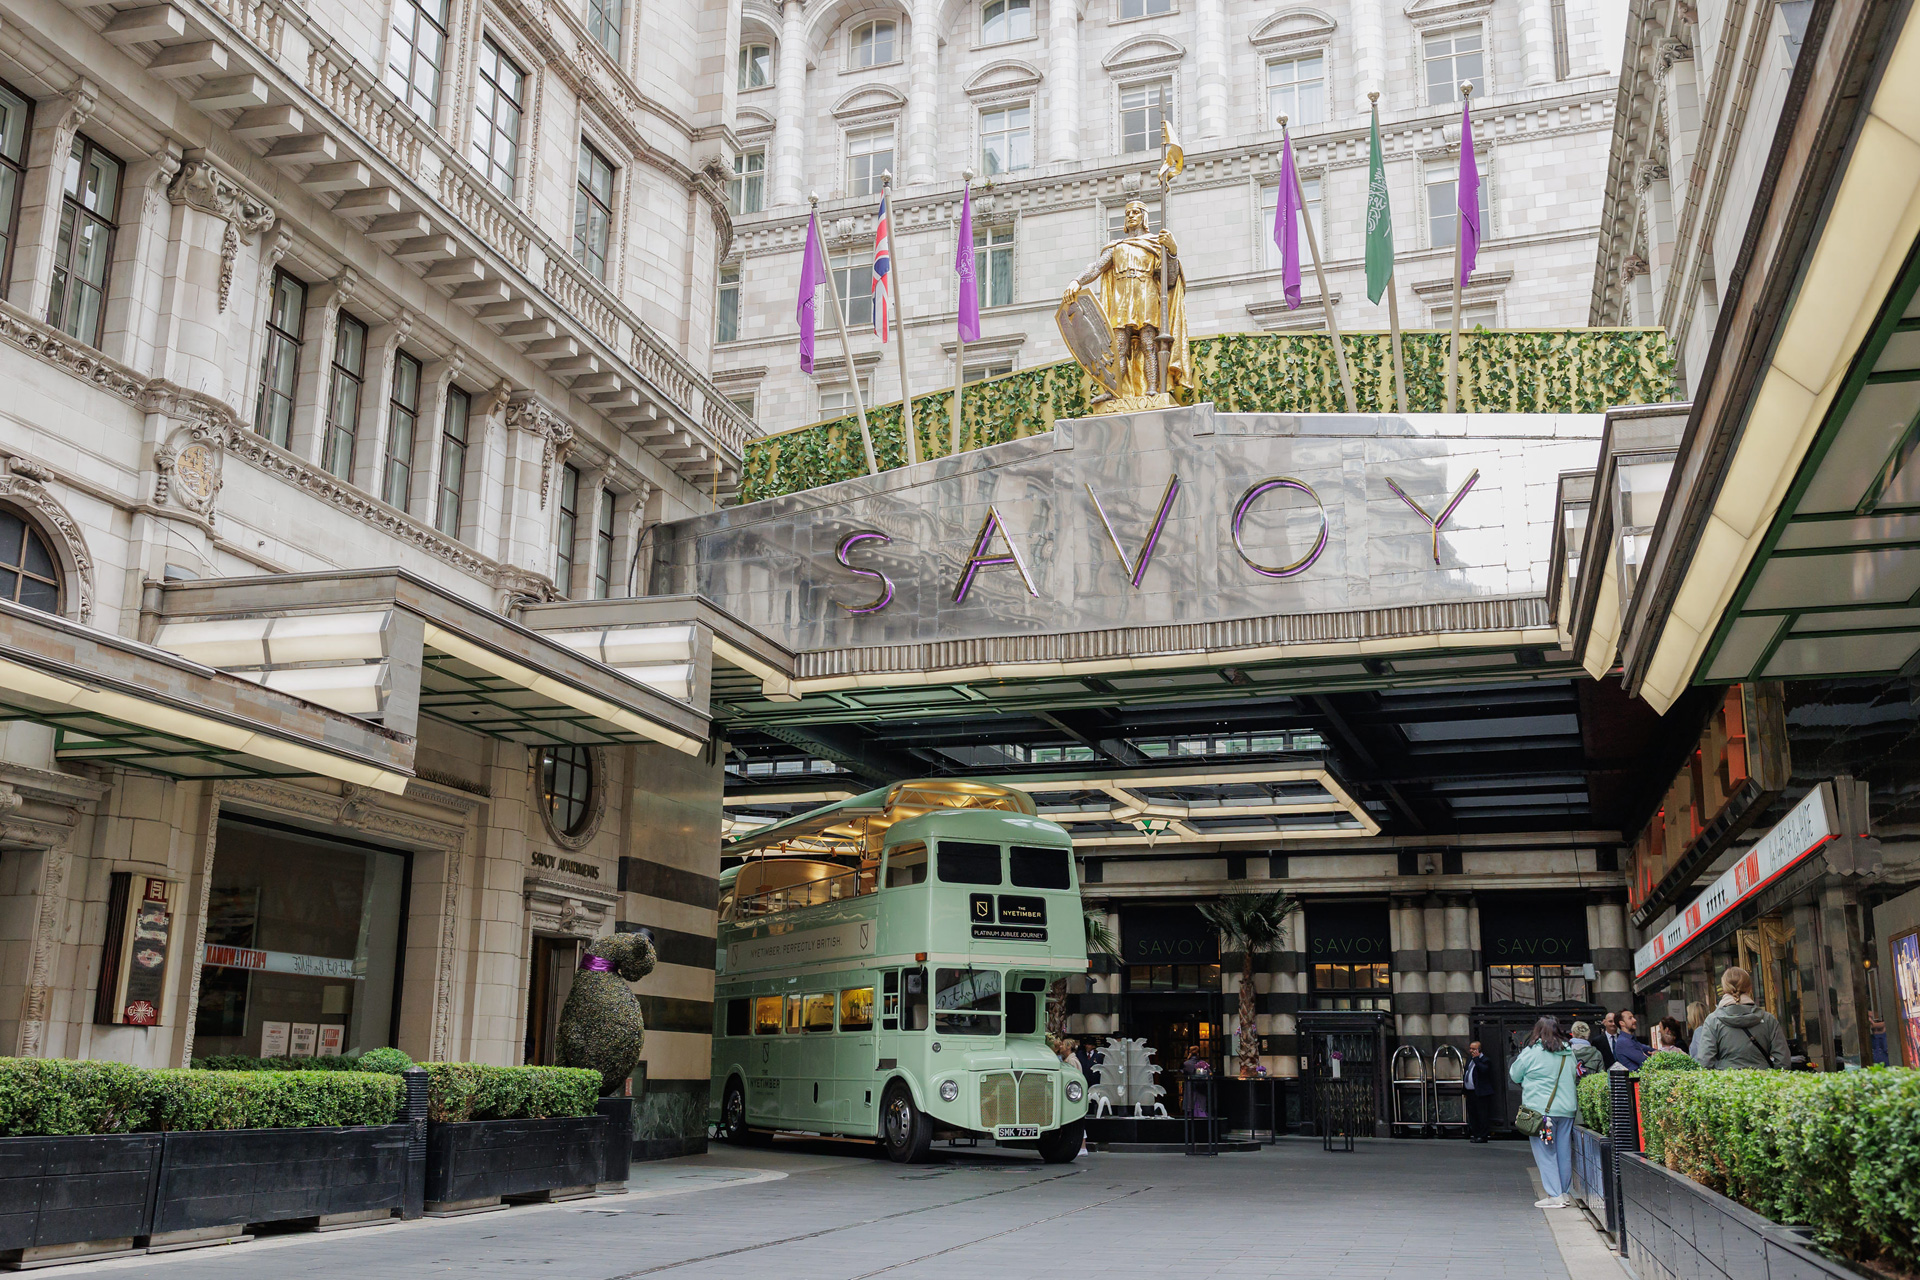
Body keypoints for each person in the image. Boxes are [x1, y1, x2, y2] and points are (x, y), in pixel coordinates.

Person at [1509, 1016, 1579, 1208]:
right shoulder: (1568, 1052)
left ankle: (1554, 1195)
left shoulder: (1532, 1052)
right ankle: (1564, 1193)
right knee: (1564, 1152)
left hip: (1541, 1112)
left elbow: (1515, 1074)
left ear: (1537, 1031)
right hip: (1566, 1110)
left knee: (1546, 1152)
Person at [1694, 966, 1789, 1069]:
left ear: (1724, 988)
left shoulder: (1713, 1021)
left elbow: (1705, 1061)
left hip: (1726, 1082)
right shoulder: (1768, 1019)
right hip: (1762, 1080)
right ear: (1750, 988)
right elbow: (1783, 1060)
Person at [1463, 1040, 1497, 1142]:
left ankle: (1483, 1135)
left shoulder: (1485, 1060)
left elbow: (1484, 1070)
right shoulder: (1470, 1059)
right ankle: (1475, 1133)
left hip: (1481, 1092)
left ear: (1479, 1050)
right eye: (1470, 1048)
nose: (1471, 1051)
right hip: (1470, 1091)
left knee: (1482, 1114)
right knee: (1473, 1114)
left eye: (1474, 1049)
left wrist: (1477, 1059)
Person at [1183, 1045, 1210, 1118]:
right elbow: (1209, 1074)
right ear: (1198, 1053)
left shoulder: (1186, 1064)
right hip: (1201, 1088)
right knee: (1201, 1105)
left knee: (1191, 1106)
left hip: (1190, 1088)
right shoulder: (1203, 1063)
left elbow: (1183, 1073)